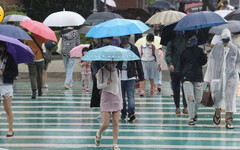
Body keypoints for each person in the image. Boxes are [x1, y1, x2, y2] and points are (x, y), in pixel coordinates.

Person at [204, 28, 240, 129]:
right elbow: (211, 65)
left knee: (230, 98)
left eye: (227, 41)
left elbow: (238, 64)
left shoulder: (234, 50)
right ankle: (217, 113)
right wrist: (208, 80)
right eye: (223, 41)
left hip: (231, 78)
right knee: (217, 96)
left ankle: (229, 120)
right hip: (217, 77)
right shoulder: (215, 49)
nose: (225, 43)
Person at [180, 35, 208, 126]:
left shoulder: (200, 51)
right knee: (190, 98)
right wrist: (182, 77)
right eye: (192, 39)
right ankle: (191, 117)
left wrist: (205, 55)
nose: (193, 41)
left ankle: (194, 112)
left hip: (198, 77)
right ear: (188, 41)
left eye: (195, 39)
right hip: (187, 77)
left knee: (199, 99)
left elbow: (203, 62)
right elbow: (181, 65)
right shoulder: (184, 52)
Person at [117, 35, 144, 122]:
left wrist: (141, 76)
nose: (124, 39)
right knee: (121, 96)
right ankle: (123, 112)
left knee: (130, 95)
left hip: (131, 75)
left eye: (126, 37)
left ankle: (131, 113)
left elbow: (138, 62)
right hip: (120, 76)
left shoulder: (134, 48)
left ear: (129, 38)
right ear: (120, 38)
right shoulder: (117, 48)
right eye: (123, 37)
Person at [95, 61, 122, 150]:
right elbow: (98, 86)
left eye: (115, 62)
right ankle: (99, 133)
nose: (114, 64)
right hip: (106, 97)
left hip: (116, 97)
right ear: (107, 62)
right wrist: (107, 83)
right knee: (105, 124)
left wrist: (121, 100)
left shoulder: (118, 71)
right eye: (112, 62)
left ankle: (115, 144)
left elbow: (119, 86)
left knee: (115, 122)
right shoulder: (101, 71)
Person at [165, 31, 188, 115]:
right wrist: (170, 64)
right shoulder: (171, 43)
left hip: (184, 69)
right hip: (175, 69)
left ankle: (185, 106)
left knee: (185, 88)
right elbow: (168, 55)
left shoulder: (186, 42)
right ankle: (177, 107)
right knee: (176, 89)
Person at [0, 41, 18, 137]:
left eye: (1, 47)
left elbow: (15, 73)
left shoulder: (9, 58)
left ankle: (10, 129)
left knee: (7, 109)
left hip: (5, 85)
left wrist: (4, 73)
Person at [24, 33, 48, 98]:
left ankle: (34, 92)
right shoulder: (40, 37)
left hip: (31, 58)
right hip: (40, 59)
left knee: (32, 75)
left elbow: (24, 47)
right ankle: (40, 91)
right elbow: (46, 40)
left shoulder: (27, 38)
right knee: (39, 75)